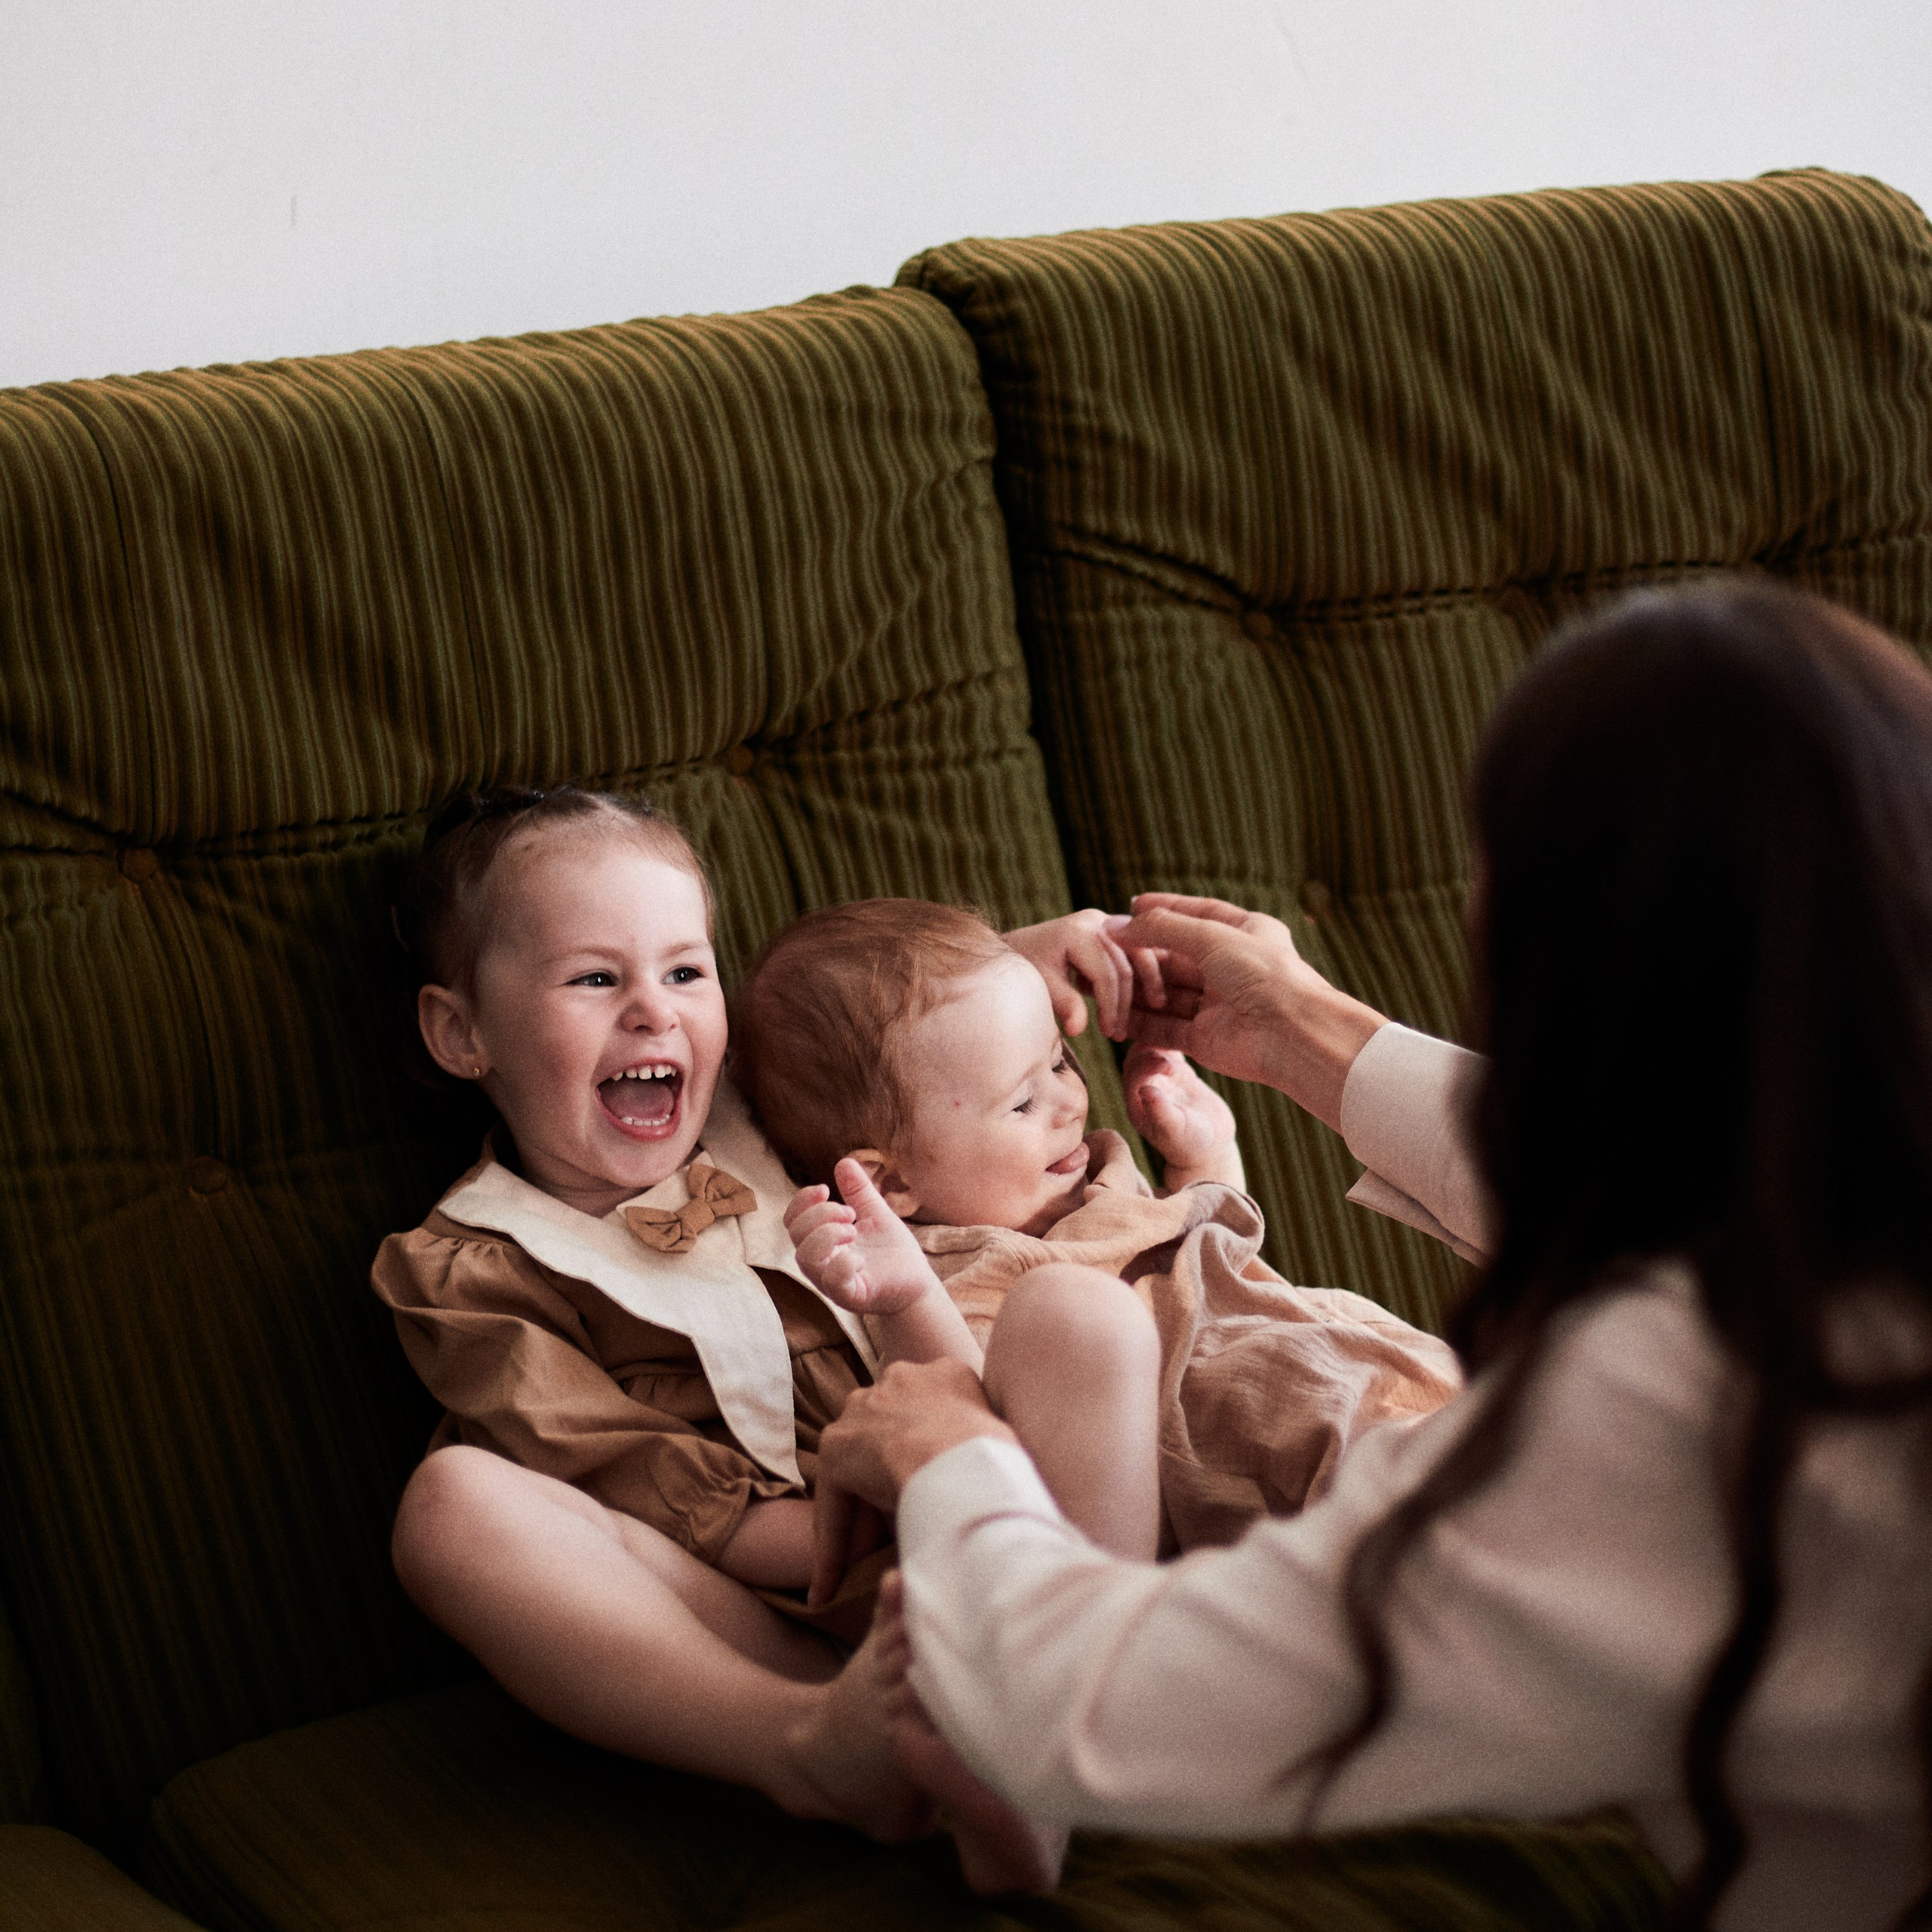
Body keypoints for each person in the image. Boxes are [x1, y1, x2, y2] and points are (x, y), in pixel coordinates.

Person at [812, 581, 1932, 1930]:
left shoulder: (1668, 1415)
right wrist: (1304, 1031)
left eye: (1487, 871)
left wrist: (949, 1452)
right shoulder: (1845, 1187)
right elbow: (1687, 1185)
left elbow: (1090, 1708)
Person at [368, 783, 1151, 1869]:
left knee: (1082, 1313)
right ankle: (819, 1756)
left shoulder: (754, 1112)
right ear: (463, 1032)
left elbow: (876, 1025)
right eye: (596, 979)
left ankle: (1081, 1707)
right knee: (449, 1506)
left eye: (686, 972)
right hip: (792, 1625)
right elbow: (608, 1464)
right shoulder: (469, 1264)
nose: (655, 1012)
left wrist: (1032, 955)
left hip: (987, 1516)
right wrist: (850, 1532)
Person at [731, 897, 1457, 1573]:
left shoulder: (1089, 1178)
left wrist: (1205, 1154)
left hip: (1385, 1373)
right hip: (1299, 1464)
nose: (1068, 1102)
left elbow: (1214, 1260)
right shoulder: (973, 1273)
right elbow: (976, 1427)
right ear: (891, 1184)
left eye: (1059, 1062)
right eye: (1021, 1101)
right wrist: (907, 1298)